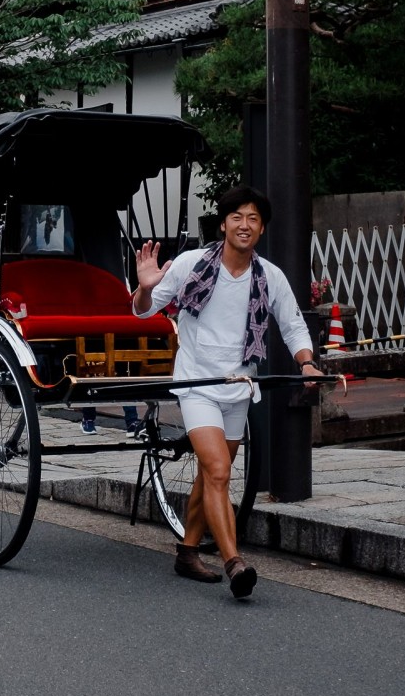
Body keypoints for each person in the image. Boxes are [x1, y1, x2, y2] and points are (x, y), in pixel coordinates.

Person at [133, 185, 321, 599]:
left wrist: (305, 361)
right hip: (196, 383)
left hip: (239, 387)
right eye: (237, 216)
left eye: (254, 218)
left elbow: (292, 325)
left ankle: (186, 552)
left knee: (210, 475)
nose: (245, 224)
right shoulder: (192, 264)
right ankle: (234, 561)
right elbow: (143, 308)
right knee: (219, 470)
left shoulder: (269, 276)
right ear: (222, 223)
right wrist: (146, 286)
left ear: (261, 229)